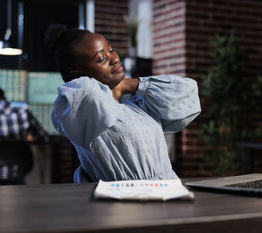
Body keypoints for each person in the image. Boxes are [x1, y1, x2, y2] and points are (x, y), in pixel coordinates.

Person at [46, 24, 201, 182]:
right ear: (78, 76)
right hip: (125, 201)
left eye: (111, 50)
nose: (114, 58)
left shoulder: (135, 106)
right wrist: (116, 87)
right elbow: (87, 93)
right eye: (101, 59)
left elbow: (187, 90)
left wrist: (129, 85)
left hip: (169, 193)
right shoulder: (87, 115)